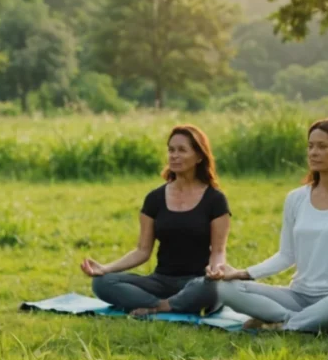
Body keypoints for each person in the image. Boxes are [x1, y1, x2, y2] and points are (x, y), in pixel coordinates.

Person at [207, 117, 328, 332]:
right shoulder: (296, 198)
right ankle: (297, 321)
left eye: (323, 146)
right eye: (310, 146)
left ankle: (281, 324)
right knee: (223, 288)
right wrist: (243, 273)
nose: (314, 153)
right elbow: (286, 256)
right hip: (299, 296)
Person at [80, 125, 229, 316]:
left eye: (182, 150)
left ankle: (159, 307)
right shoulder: (155, 198)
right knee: (102, 283)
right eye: (171, 150)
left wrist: (216, 271)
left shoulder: (215, 200)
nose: (174, 155)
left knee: (213, 288)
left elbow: (218, 251)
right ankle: (165, 304)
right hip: (160, 282)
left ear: (199, 156)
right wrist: (106, 268)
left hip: (197, 281)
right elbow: (142, 251)